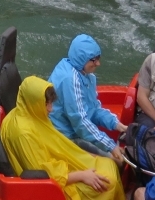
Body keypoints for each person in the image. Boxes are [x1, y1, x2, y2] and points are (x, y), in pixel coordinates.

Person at [1, 76, 124, 200]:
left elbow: (55, 144)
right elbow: (43, 176)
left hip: (58, 167)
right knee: (109, 182)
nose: (51, 109)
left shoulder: (27, 112)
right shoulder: (24, 134)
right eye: (45, 104)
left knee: (108, 163)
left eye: (50, 103)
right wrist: (82, 175)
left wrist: (84, 156)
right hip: (55, 184)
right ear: (33, 101)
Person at [49, 34, 125, 164]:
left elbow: (94, 109)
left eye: (98, 58)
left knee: (121, 156)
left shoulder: (86, 75)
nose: (98, 63)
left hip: (76, 131)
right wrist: (110, 146)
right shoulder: (70, 80)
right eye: (93, 60)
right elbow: (80, 122)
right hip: (64, 137)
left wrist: (117, 125)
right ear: (81, 59)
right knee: (117, 162)